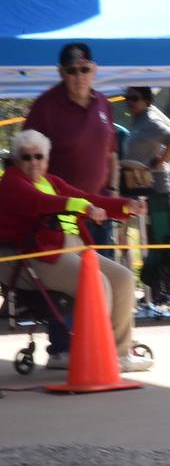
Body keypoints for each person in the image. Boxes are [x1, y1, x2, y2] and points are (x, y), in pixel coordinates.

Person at [0, 131, 152, 371]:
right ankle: (96, 355)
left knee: (122, 278)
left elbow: (87, 198)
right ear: (17, 160)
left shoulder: (52, 181)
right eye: (26, 157)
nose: (33, 162)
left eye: (38, 156)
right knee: (96, 282)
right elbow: (41, 203)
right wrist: (82, 206)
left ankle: (120, 354)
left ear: (47, 159)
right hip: (34, 254)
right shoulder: (11, 182)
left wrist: (126, 206)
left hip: (68, 248)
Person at [23, 43, 120, 367]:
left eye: (85, 69)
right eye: (72, 70)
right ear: (61, 73)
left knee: (102, 276)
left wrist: (115, 193)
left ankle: (101, 347)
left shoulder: (104, 103)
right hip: (63, 211)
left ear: (94, 69)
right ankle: (62, 348)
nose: (79, 76)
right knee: (70, 280)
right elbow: (28, 160)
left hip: (100, 208)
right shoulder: (46, 107)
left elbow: (110, 154)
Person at [121, 86, 170, 303]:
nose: (129, 102)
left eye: (134, 98)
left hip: (158, 190)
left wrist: (162, 160)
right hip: (143, 189)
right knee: (150, 239)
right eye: (126, 98)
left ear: (147, 100)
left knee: (160, 239)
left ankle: (167, 291)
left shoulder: (150, 120)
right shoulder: (138, 120)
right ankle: (155, 290)